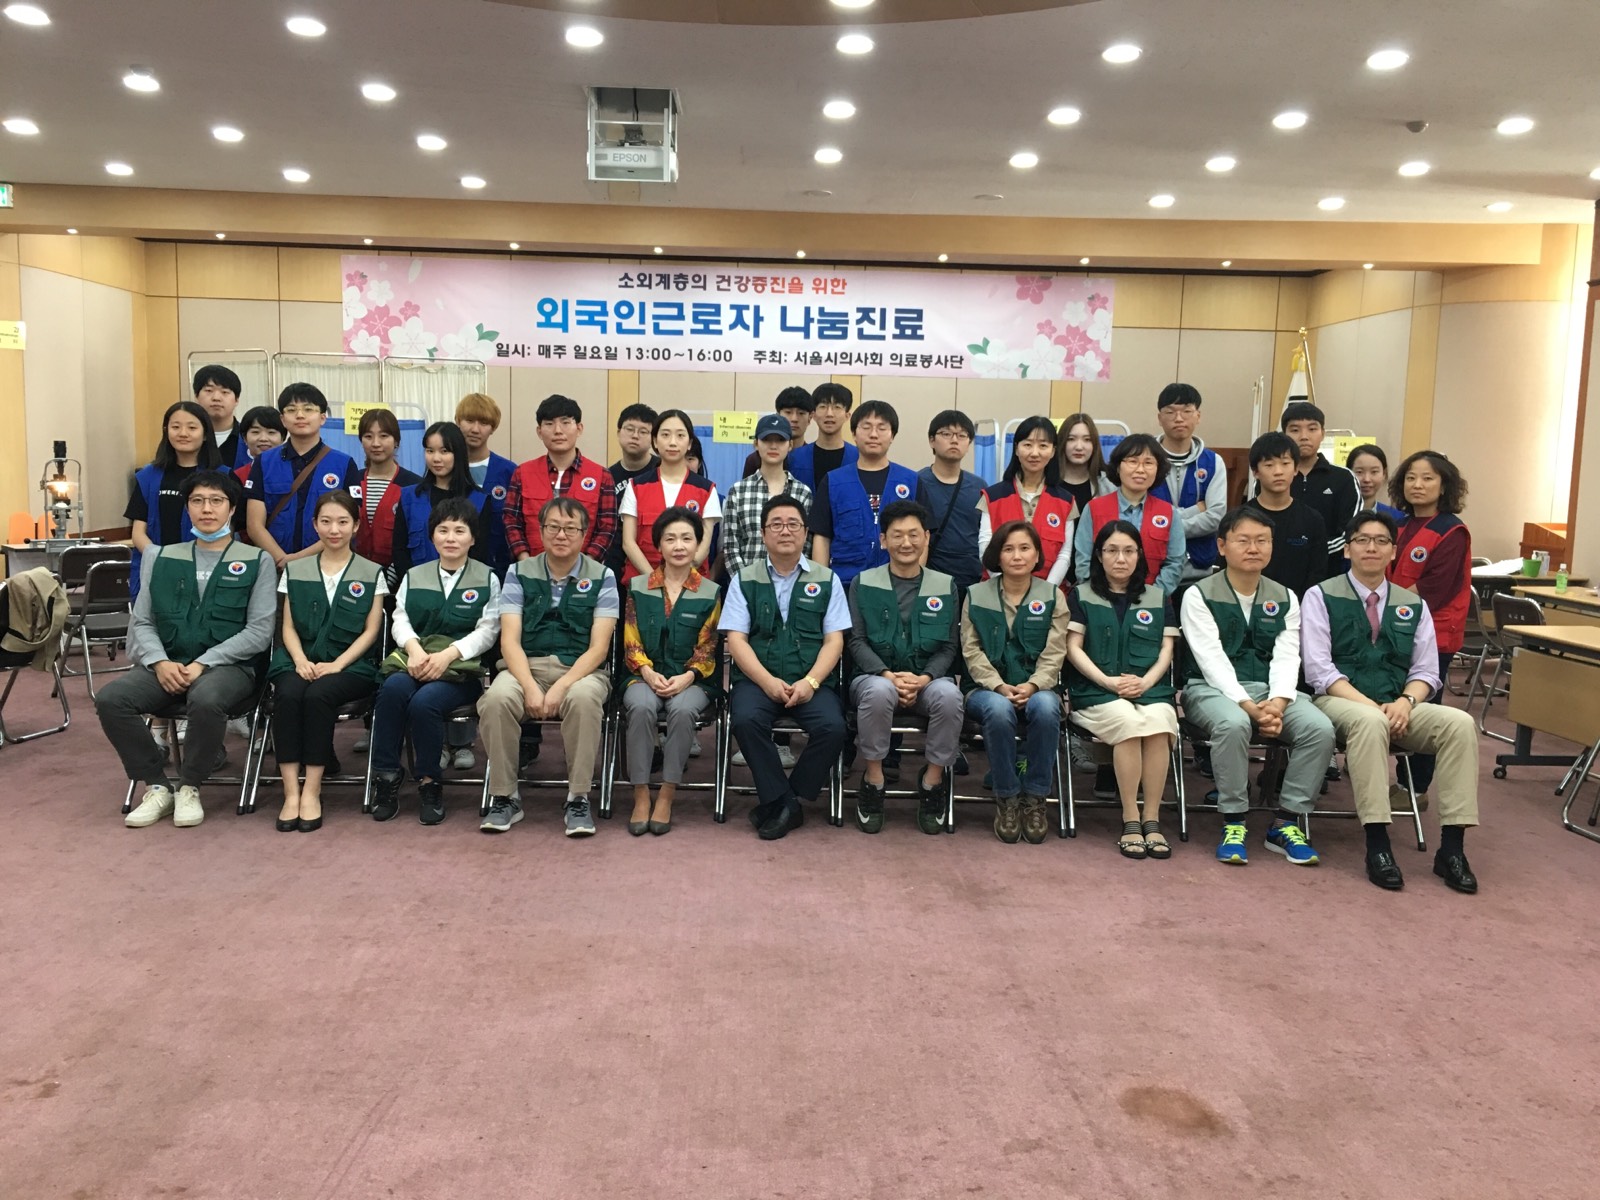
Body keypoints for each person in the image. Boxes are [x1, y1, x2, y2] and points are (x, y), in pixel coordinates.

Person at [1301, 511, 1481, 893]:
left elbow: (1427, 670)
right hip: (1338, 702)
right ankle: (1378, 845)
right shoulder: (1321, 595)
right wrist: (1370, 706)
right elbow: (1319, 670)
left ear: (1394, 551)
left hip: (1398, 705)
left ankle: (1452, 849)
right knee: (1370, 722)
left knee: (1460, 724)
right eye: (1362, 540)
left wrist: (1405, 702)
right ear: (1347, 549)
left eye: (1381, 541)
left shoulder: (1412, 603)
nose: (1372, 547)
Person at [99, 472, 276, 829]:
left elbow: (259, 631)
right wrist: (158, 661)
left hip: (229, 668)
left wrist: (203, 663)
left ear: (232, 508)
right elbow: (143, 622)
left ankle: (190, 786)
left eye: (216, 501)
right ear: (187, 507)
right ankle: (157, 786)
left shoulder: (257, 560)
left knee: (207, 698)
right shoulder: (161, 556)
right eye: (197, 501)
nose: (206, 509)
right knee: (111, 699)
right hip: (165, 664)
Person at [1180, 507, 1337, 866]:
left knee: (1319, 728)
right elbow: (1211, 660)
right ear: (1222, 546)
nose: (1254, 548)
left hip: (1271, 692)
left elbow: (1287, 656)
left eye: (1262, 541)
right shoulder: (1198, 594)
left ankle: (1286, 823)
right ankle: (1234, 821)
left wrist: (1277, 704)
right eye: (1243, 540)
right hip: (1209, 690)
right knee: (1233, 723)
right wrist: (1249, 707)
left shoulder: (1285, 597)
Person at [477, 497, 619, 837]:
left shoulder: (603, 576)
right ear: (540, 531)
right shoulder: (518, 572)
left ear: (584, 534)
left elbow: (599, 648)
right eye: (553, 527)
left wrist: (562, 687)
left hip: (581, 671)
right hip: (525, 667)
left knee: (584, 699)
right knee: (496, 699)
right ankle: (505, 796)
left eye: (570, 528)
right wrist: (528, 686)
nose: (561, 534)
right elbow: (509, 641)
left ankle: (578, 798)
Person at [721, 494, 850, 840]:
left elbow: (834, 642)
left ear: (806, 533)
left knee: (833, 727)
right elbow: (737, 640)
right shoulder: (744, 579)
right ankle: (786, 802)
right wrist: (766, 682)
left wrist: (811, 682)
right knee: (745, 720)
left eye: (793, 524)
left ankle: (784, 799)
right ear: (763, 534)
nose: (785, 531)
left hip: (812, 681)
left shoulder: (827, 579)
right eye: (776, 524)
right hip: (757, 681)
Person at [369, 499, 500, 826]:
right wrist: (414, 650)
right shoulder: (414, 576)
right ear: (432, 536)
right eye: (443, 530)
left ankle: (430, 782)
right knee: (391, 691)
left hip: (460, 672)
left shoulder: (488, 578)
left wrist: (449, 655)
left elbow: (488, 630)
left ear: (473, 538)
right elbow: (400, 619)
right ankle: (386, 776)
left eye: (459, 530)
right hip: (415, 661)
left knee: (424, 703)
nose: (451, 538)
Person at [266, 491, 386, 832]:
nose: (334, 529)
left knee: (319, 695)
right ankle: (291, 792)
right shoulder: (296, 569)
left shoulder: (371, 572)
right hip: (298, 660)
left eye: (343, 522)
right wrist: (300, 660)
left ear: (356, 526)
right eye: (326, 521)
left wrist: (337, 665)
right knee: (289, 694)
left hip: (352, 666)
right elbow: (287, 626)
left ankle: (312, 790)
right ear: (315, 524)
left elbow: (371, 631)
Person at [1064, 520, 1180, 860]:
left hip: (1149, 691)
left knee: (1160, 724)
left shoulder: (1158, 597)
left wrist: (1147, 682)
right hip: (1096, 693)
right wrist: (1107, 681)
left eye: (1129, 551)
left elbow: (1167, 650)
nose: (1120, 558)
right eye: (1112, 550)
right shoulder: (1081, 595)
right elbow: (1073, 647)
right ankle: (1131, 817)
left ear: (1139, 555)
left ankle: (1152, 819)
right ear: (1099, 555)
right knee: (1128, 724)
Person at [848, 500, 964, 835]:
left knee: (950, 697)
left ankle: (932, 781)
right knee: (879, 691)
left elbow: (949, 646)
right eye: (897, 535)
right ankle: (874, 779)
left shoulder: (945, 585)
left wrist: (925, 678)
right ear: (884, 540)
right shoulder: (863, 582)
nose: (906, 542)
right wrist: (887, 675)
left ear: (926, 538)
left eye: (914, 534)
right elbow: (856, 641)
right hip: (874, 678)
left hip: (927, 680)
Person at [961, 520, 1069, 844]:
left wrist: (1034, 685)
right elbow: (971, 650)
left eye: (1025, 548)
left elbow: (1055, 651)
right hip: (985, 690)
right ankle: (1007, 796)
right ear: (997, 555)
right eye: (1008, 549)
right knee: (997, 709)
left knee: (1047, 708)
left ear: (1037, 555)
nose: (1017, 556)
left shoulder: (1053, 596)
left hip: (1039, 688)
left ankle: (1035, 796)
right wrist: (998, 685)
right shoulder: (976, 595)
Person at [621, 506, 721, 835]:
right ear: (658, 545)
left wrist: (689, 676)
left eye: (686, 539)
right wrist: (647, 673)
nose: (679, 546)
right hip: (642, 675)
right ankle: (640, 793)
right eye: (670, 539)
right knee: (640, 706)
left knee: (682, 710)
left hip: (694, 679)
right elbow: (631, 639)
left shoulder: (711, 591)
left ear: (698, 545)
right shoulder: (637, 586)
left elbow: (709, 646)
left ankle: (666, 793)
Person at [1386, 450, 1473, 805]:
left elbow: (1434, 588)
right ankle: (1401, 782)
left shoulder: (1451, 530)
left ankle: (1415, 788)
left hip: (1434, 635)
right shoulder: (1400, 525)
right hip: (1394, 630)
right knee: (1398, 703)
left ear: (1444, 485)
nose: (1417, 485)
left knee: (1424, 710)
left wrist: (1378, 607)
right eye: (1410, 478)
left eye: (1427, 478)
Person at [245, 382, 361, 567]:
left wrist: (298, 560)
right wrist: (281, 560)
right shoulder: (264, 462)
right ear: (283, 419)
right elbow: (254, 525)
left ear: (322, 418)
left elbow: (351, 523)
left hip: (326, 565)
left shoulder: (344, 464)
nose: (300, 415)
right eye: (291, 410)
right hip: (274, 565)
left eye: (308, 409)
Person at [810, 400, 924, 586]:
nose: (873, 434)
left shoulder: (910, 481)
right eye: (866, 427)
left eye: (882, 428)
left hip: (898, 584)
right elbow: (822, 537)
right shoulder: (833, 481)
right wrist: (822, 584)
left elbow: (923, 537)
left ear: (892, 435)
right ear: (854, 434)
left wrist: (914, 583)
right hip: (845, 584)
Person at [125, 400, 224, 602]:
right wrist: (161, 558)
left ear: (205, 434)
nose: (183, 433)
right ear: (166, 431)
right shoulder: (148, 477)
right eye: (176, 427)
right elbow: (138, 531)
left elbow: (228, 530)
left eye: (192, 428)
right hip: (157, 569)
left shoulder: (222, 477)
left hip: (207, 568)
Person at [504, 394, 616, 564]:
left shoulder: (602, 476)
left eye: (565, 422)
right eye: (549, 424)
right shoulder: (522, 473)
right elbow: (511, 521)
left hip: (584, 571)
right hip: (532, 567)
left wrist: (586, 564)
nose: (558, 430)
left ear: (579, 429)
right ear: (539, 431)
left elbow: (607, 526)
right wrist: (526, 562)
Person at [1074, 433, 1186, 594]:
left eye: (1148, 463)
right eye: (1133, 461)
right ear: (1118, 467)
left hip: (1152, 600)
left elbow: (1175, 562)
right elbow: (1083, 560)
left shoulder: (1169, 513)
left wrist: (1151, 597)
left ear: (1158, 469)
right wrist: (1099, 595)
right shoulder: (1094, 508)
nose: (1140, 470)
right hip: (1099, 598)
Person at [621, 408, 721, 581]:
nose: (673, 442)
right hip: (644, 583)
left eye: (680, 435)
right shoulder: (636, 486)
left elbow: (704, 546)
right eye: (665, 435)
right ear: (655, 441)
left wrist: (677, 579)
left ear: (689, 443)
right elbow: (628, 543)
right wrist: (656, 580)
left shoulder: (706, 489)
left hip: (690, 585)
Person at [980, 415, 1075, 586]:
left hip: (1047, 591)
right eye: (1028, 444)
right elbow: (985, 546)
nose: (1035, 453)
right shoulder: (992, 496)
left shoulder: (1066, 502)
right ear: (1016, 449)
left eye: (1043, 445)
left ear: (1053, 451)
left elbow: (1064, 555)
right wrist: (1006, 586)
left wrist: (1045, 591)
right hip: (997, 590)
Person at [390, 421, 490, 581]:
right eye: (430, 451)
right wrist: (413, 584)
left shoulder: (479, 500)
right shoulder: (410, 497)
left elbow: (482, 554)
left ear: (458, 453)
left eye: (444, 451)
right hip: (418, 586)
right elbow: (399, 550)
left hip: (465, 588)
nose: (436, 458)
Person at [1149, 383, 1228, 580]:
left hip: (1199, 570)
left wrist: (1163, 526)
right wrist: (1196, 510)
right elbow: (1141, 515)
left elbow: (1216, 517)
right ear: (1159, 418)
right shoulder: (1145, 459)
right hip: (1152, 571)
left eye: (1186, 411)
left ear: (1198, 416)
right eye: (1170, 412)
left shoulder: (1213, 462)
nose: (1179, 418)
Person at [721, 413, 814, 577]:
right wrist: (744, 584)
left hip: (791, 583)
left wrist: (793, 582)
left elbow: (806, 546)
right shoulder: (738, 491)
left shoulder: (803, 493)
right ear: (756, 444)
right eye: (766, 440)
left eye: (780, 440)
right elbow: (731, 547)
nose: (773, 446)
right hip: (747, 584)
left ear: (790, 445)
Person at [1241, 432, 1330, 597]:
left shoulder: (1312, 520)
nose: (1278, 472)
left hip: (1299, 606)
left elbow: (1317, 573)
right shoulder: (1239, 520)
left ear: (1296, 469)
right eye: (1269, 465)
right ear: (1255, 472)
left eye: (1285, 463)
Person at [1278, 401, 1361, 578]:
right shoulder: (1274, 477)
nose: (1304, 436)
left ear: (1322, 433)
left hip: (1330, 573)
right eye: (1295, 430)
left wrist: (1313, 550)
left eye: (1312, 429)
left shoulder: (1344, 478)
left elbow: (1352, 529)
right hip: (1278, 570)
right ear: (1284, 434)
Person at [919, 410, 986, 593]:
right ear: (932, 440)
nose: (954, 440)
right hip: (930, 579)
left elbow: (986, 535)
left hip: (972, 580)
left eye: (962, 435)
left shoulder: (979, 487)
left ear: (969, 443)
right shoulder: (917, 482)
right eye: (946, 434)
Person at [352, 407, 422, 576]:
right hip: (353, 574)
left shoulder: (413, 485)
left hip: (398, 578)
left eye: (384, 436)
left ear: (396, 441)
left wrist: (388, 580)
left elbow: (414, 539)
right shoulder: (352, 481)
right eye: (368, 436)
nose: (376, 443)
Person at [455, 392, 517, 574]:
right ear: (458, 421)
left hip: (498, 569)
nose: (475, 429)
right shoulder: (445, 468)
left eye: (483, 423)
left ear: (493, 427)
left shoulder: (509, 472)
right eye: (469, 420)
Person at [606, 402, 660, 582]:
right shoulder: (606, 476)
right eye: (629, 429)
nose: (635, 436)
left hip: (653, 562)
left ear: (653, 439)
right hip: (614, 563)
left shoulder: (662, 471)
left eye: (643, 431)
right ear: (618, 432)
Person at [787, 381, 857, 490]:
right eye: (823, 406)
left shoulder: (858, 457)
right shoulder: (794, 458)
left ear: (847, 416)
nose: (829, 414)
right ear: (813, 415)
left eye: (837, 407)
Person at [740, 386, 815, 477]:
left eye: (801, 413)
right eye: (788, 412)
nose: (794, 419)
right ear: (778, 415)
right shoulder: (756, 459)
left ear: (810, 417)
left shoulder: (813, 457)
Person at [193, 364, 251, 469]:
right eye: (209, 391)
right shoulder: (186, 437)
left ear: (236, 400)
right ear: (196, 396)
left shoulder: (249, 437)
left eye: (225, 392)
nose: (216, 398)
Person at [1346, 443, 1406, 521]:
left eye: (1374, 472)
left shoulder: (1397, 518)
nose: (1367, 479)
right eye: (1359, 472)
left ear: (1384, 474)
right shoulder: (1335, 514)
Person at [232, 406, 285, 487]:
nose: (263, 439)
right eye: (256, 432)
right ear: (245, 438)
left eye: (271, 432)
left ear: (282, 438)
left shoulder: (293, 470)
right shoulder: (237, 476)